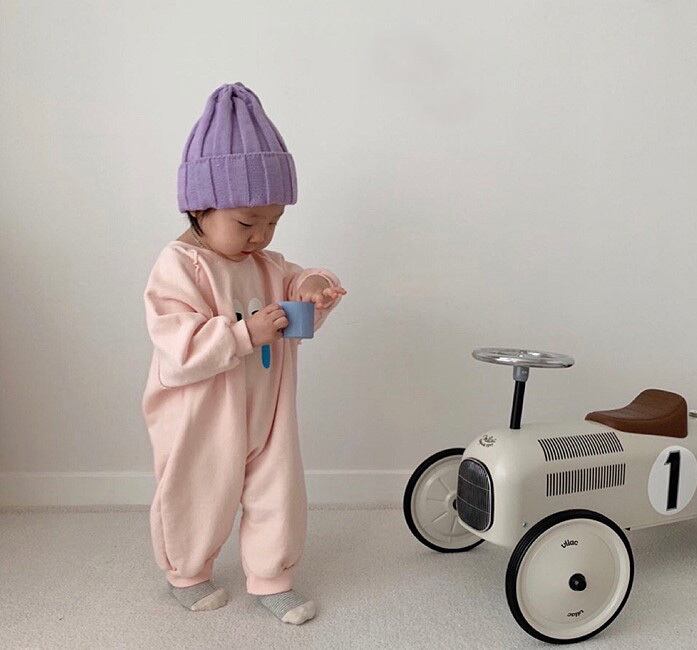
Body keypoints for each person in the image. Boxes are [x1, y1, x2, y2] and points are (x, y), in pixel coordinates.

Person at [141, 82, 346, 623]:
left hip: (268, 405)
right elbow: (177, 347)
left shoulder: (267, 265)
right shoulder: (180, 266)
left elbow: (297, 281)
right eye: (247, 223)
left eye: (274, 221)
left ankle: (272, 576)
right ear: (199, 209)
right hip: (202, 412)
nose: (262, 235)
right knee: (199, 488)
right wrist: (242, 334)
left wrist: (315, 289)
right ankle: (187, 571)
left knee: (278, 488)